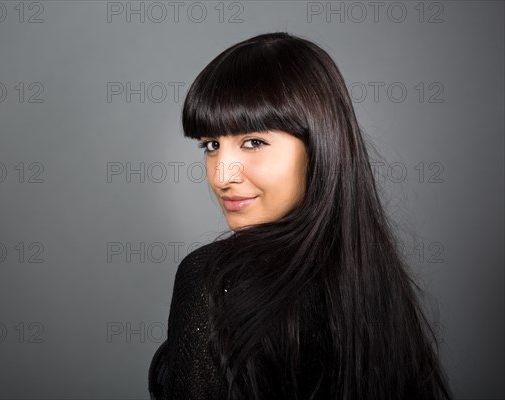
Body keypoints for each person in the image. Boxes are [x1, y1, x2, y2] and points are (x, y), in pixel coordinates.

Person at [148, 31, 453, 400]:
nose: (221, 175)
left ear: (318, 146)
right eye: (211, 145)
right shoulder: (372, 280)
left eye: (253, 142)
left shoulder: (213, 282)